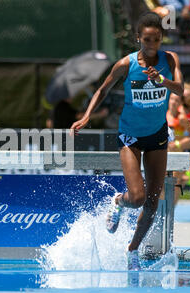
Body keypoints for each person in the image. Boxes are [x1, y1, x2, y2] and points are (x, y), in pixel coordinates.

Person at [70, 12, 184, 271]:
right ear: (138, 39)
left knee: (153, 204)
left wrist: (162, 80)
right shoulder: (126, 64)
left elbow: (180, 90)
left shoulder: (170, 60)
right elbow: (102, 89)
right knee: (137, 197)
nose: (152, 44)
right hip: (130, 136)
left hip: (157, 135)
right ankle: (118, 202)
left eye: (156, 39)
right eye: (147, 39)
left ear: (161, 38)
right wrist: (87, 116)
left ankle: (132, 250)